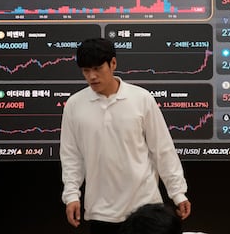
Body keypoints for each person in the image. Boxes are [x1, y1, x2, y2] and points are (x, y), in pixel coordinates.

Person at [60, 37, 191, 234]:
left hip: (145, 209)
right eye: (86, 71)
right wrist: (71, 195)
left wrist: (178, 193)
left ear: (113, 63)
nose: (92, 76)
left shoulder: (141, 99)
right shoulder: (74, 105)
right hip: (101, 211)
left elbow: (162, 149)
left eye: (97, 68)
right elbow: (71, 156)